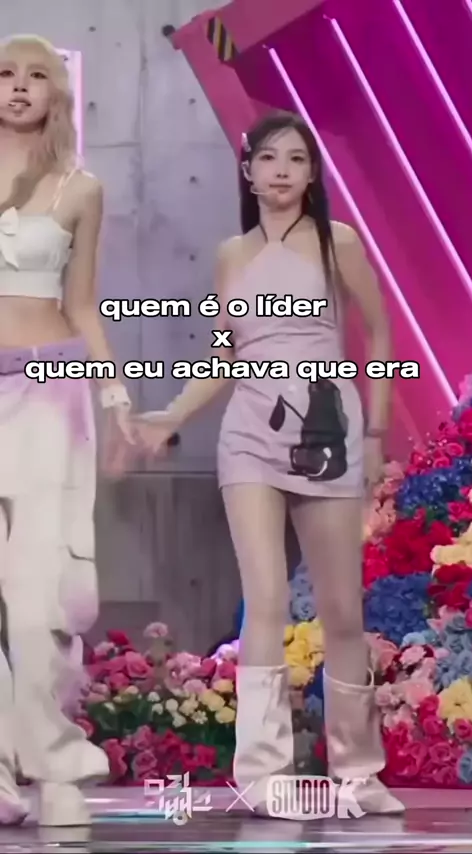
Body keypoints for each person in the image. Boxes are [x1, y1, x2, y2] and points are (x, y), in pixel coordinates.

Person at [133, 111, 404, 817]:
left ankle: (357, 771)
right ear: (247, 172)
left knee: (341, 609)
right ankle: (260, 774)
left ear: (312, 174)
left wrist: (376, 433)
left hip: (327, 428)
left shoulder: (338, 242)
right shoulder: (231, 255)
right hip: (250, 433)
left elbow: (379, 335)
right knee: (267, 601)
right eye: (269, 158)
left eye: (297, 159)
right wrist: (171, 415)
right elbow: (224, 356)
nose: (282, 170)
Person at [0, 35, 133, 826]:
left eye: (35, 76)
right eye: (4, 74)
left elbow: (83, 304)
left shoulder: (82, 189)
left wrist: (117, 399)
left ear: (56, 92)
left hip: (48, 391)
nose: (18, 87)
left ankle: (53, 768)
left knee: (35, 594)